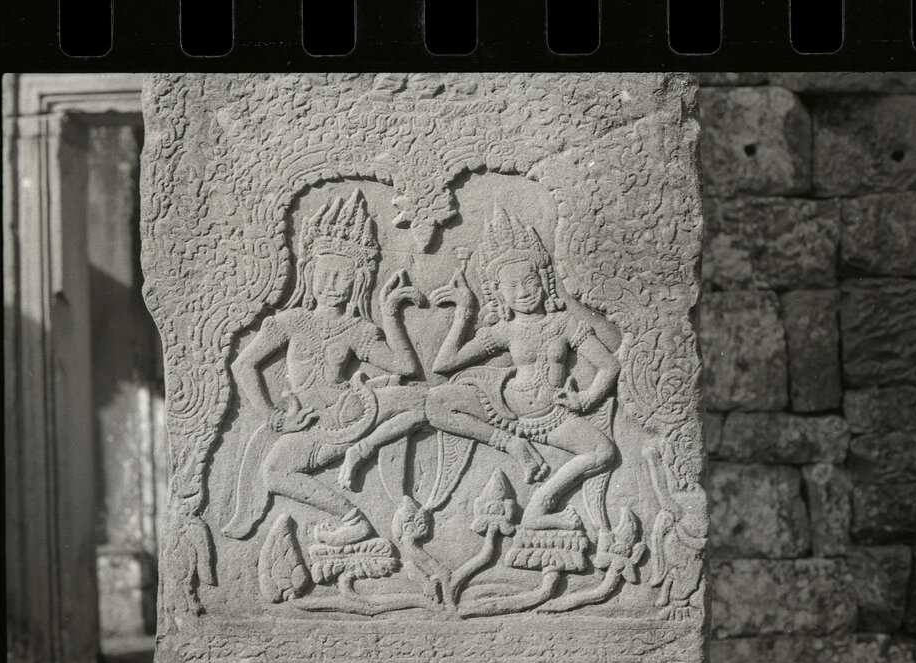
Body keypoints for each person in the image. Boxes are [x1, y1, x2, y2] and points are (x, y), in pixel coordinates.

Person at [223, 188, 427, 543]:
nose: (332, 285)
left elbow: (404, 367)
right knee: (273, 472)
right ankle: (352, 518)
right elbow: (244, 365)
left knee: (274, 471)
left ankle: (354, 514)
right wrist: (272, 415)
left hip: (348, 414)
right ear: (309, 273)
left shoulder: (355, 329)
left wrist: (390, 313)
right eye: (325, 274)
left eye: (343, 276)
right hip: (309, 422)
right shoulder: (289, 322)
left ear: (357, 282)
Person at [425, 205, 620, 530]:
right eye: (511, 287)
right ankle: (511, 445)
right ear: (498, 293)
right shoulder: (506, 329)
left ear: (544, 281)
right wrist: (464, 311)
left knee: (602, 451)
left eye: (529, 282)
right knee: (437, 403)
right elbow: (444, 364)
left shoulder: (565, 324)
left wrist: (585, 400)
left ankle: (540, 508)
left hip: (552, 415)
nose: (523, 292)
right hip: (507, 407)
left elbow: (608, 365)